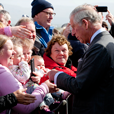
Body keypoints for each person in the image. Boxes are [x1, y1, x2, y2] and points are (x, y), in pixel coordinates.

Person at [46, 4, 114, 114]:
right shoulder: (104, 41)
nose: (72, 33)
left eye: (73, 27)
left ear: (85, 23)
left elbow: (80, 86)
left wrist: (56, 75)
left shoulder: (99, 47)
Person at [0, 34, 58, 114]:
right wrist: (45, 87)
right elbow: (25, 107)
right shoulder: (2, 72)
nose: (14, 52)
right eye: (10, 49)